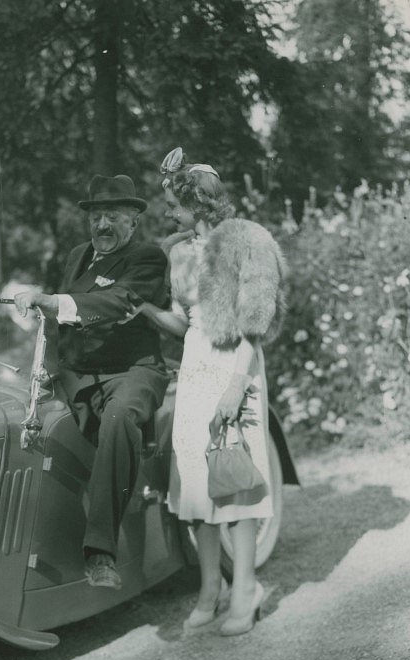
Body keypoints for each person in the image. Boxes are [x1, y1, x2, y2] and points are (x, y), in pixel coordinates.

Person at [124, 147, 285, 635]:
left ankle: (246, 589)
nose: (168, 211)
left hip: (236, 366)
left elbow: (253, 330)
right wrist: (146, 311)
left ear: (198, 202)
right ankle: (210, 589)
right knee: (197, 486)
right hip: (195, 368)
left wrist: (235, 389)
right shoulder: (179, 252)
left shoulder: (246, 244)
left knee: (232, 480)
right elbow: (185, 322)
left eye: (174, 203)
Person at [14, 174, 169, 590]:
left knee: (120, 419)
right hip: (79, 376)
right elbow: (61, 324)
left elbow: (119, 302)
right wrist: (46, 367)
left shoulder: (148, 258)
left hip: (133, 372)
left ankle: (100, 553)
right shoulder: (78, 256)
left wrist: (53, 300)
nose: (102, 226)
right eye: (97, 216)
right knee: (19, 415)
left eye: (114, 217)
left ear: (134, 221)